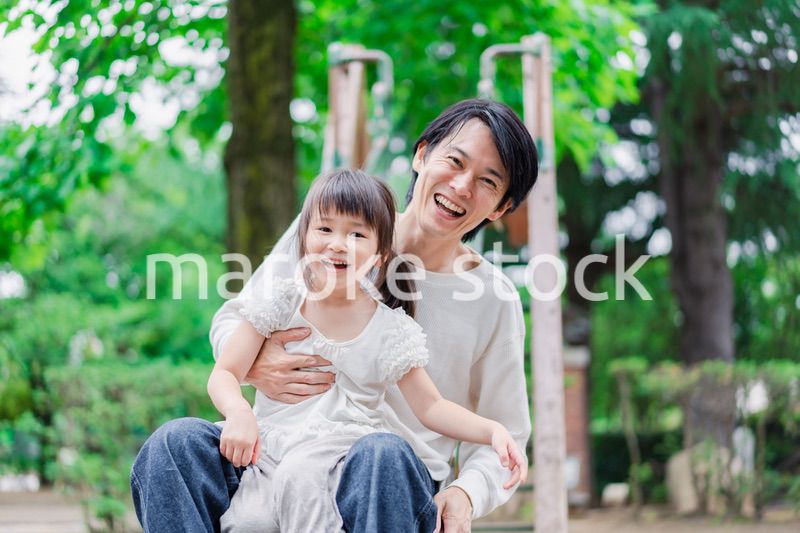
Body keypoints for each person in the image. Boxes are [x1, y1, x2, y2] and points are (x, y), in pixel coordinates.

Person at [131, 98, 539, 532]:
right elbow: (235, 320)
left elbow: (505, 435)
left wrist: (466, 493)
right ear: (422, 155)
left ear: (500, 209)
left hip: (389, 484)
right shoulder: (333, 225)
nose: (460, 185)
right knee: (174, 447)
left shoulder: (493, 298)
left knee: (379, 454)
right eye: (454, 161)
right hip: (275, 453)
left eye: (487, 182)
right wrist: (259, 362)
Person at [211, 169, 525, 532]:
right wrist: (238, 413)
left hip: (335, 455)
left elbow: (431, 406)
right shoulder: (280, 302)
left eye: (356, 234)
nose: (337, 244)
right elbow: (225, 372)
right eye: (325, 229)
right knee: (249, 521)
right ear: (303, 236)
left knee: (302, 477)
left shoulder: (389, 329)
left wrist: (491, 431)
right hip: (267, 452)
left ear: (379, 256)